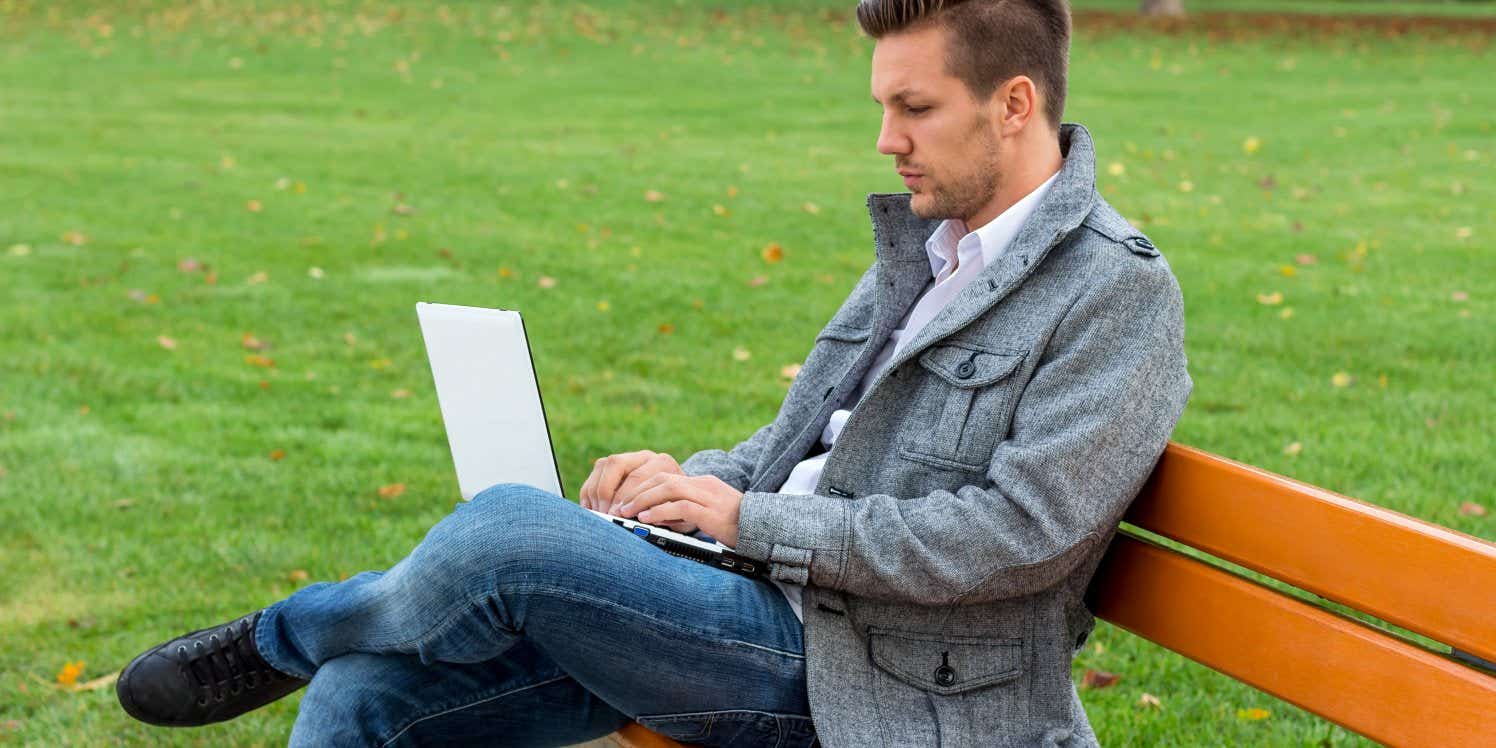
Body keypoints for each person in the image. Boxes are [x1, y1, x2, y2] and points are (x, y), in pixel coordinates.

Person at [116, 0, 1191, 745]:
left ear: (1011, 104)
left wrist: (743, 522)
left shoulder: (1113, 292)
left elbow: (1014, 538)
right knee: (367, 697)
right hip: (755, 605)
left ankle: (278, 636)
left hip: (879, 684)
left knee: (506, 534)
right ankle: (327, 650)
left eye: (913, 110)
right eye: (881, 106)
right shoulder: (933, 245)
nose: (883, 140)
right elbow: (800, 454)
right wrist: (680, 487)